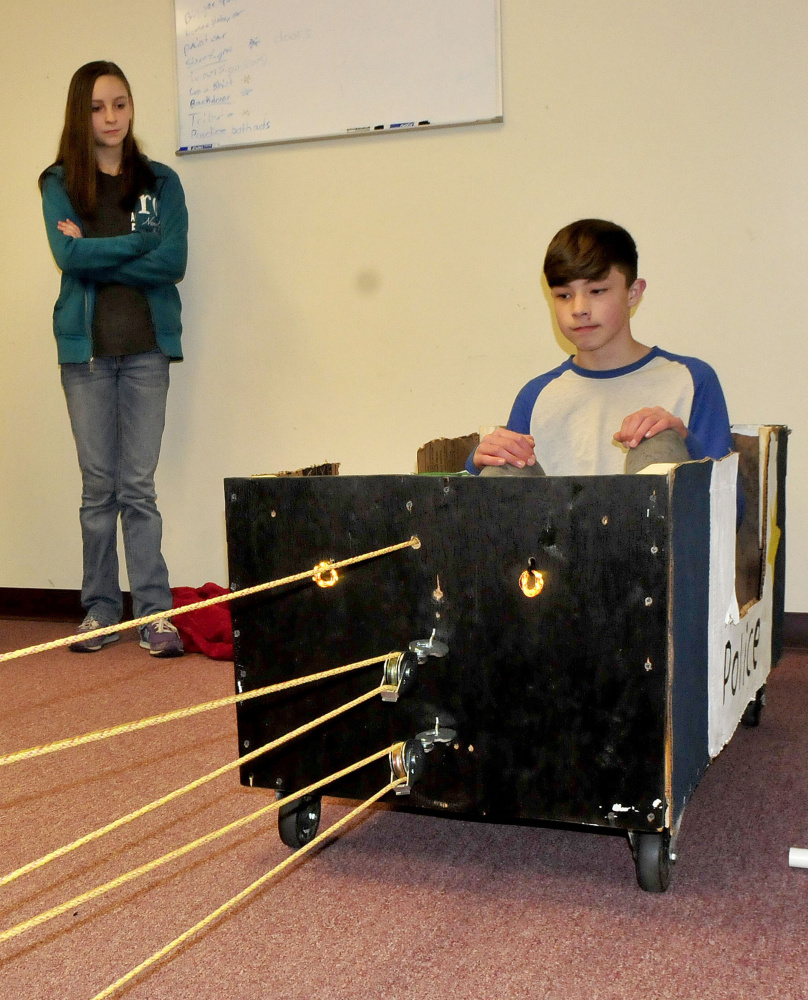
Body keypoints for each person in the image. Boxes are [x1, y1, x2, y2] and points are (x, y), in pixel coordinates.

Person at [39, 61, 188, 656]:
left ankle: (155, 613)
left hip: (148, 351)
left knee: (138, 488)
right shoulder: (58, 182)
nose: (111, 118)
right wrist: (133, 246)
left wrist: (94, 249)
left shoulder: (160, 181)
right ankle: (100, 610)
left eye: (120, 104)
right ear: (82, 113)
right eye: (99, 107)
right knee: (98, 489)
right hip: (87, 356)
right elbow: (66, 260)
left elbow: (171, 262)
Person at [466, 219, 734, 477]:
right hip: (552, 525)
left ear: (633, 293)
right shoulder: (535, 396)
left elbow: (730, 509)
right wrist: (479, 462)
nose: (579, 309)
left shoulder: (691, 378)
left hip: (661, 522)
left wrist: (685, 441)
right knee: (503, 464)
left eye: (597, 291)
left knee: (659, 439)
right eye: (564, 295)